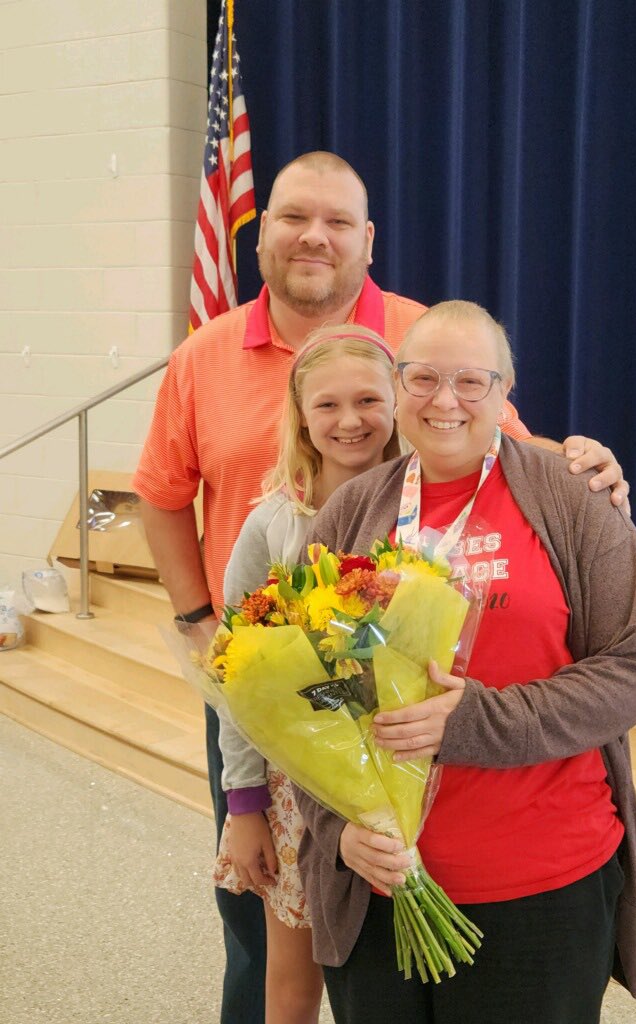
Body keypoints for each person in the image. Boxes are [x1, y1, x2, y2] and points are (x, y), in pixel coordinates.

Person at [133, 151, 629, 1023]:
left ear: (368, 240)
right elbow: (162, 493)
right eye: (292, 217)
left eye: (336, 222)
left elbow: (488, 433)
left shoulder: (420, 332)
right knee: (270, 943)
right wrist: (204, 630)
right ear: (260, 235)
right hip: (275, 713)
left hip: (486, 812)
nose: (357, 420)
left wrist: (587, 465)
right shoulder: (206, 362)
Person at [295, 300, 636, 1024]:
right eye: (424, 377)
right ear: (399, 386)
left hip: (539, 888)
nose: (445, 401)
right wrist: (336, 835)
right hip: (381, 885)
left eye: (472, 381)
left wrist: (474, 720)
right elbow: (310, 694)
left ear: (505, 393)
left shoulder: (574, 494)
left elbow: (633, 667)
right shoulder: (349, 512)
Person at [214, 325, 402, 1024]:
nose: (349, 421)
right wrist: (244, 804)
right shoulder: (273, 525)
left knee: (389, 973)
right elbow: (237, 676)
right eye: (327, 405)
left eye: (367, 400)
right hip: (299, 783)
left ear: (398, 403)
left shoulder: (426, 509)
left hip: (410, 768)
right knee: (293, 983)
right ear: (299, 417)